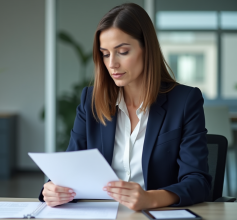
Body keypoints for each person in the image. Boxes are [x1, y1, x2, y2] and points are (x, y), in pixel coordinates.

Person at [39, 3, 211, 211]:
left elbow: (198, 181)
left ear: (147, 49)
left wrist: (151, 198)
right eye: (105, 53)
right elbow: (68, 169)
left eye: (122, 52)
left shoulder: (185, 101)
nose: (112, 64)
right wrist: (51, 188)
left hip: (154, 214)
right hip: (99, 213)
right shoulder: (90, 101)